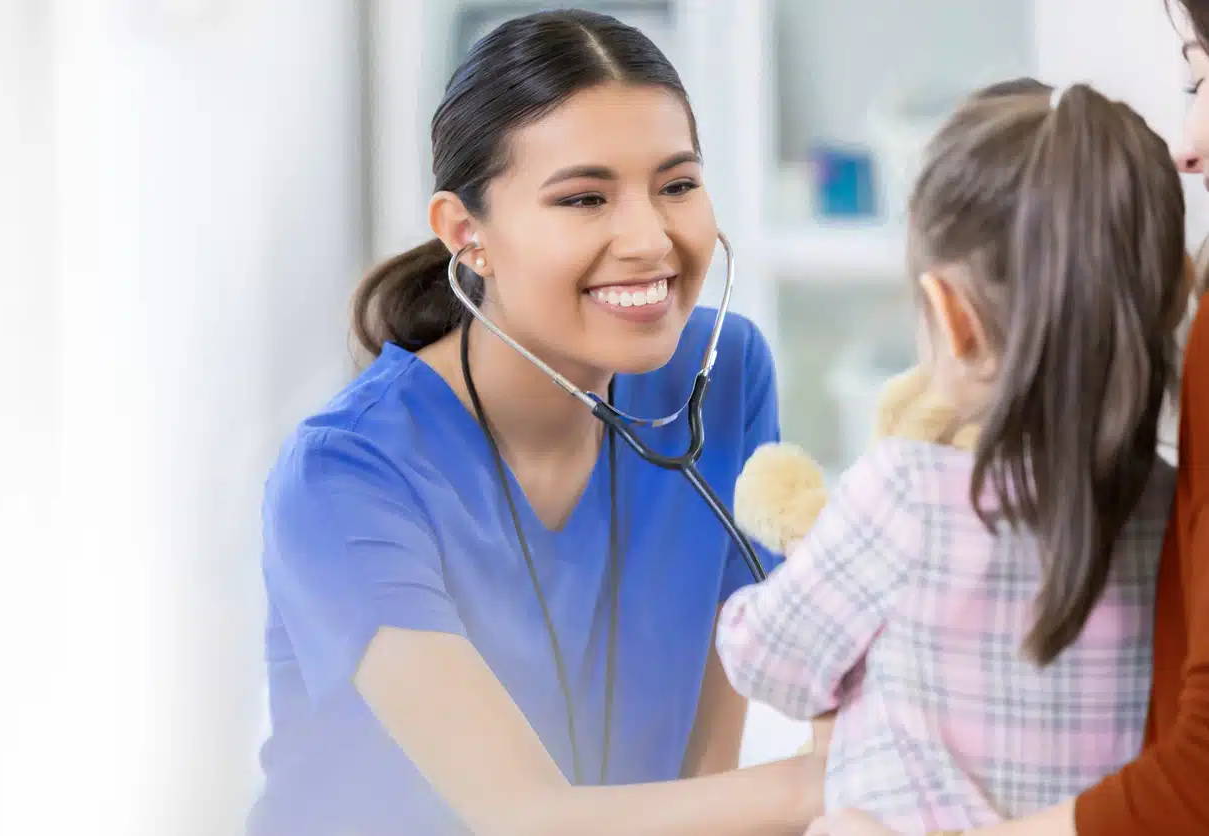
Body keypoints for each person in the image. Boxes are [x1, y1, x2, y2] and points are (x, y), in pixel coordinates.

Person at [247, 9, 824, 836]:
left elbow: (708, 770)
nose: (649, 237)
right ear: (466, 234)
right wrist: (830, 785)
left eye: (678, 185)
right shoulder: (346, 477)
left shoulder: (726, 375)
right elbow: (522, 817)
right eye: (585, 197)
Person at [713, 76, 1189, 835]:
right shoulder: (1175, 508)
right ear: (1176, 294)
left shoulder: (910, 490)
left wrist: (789, 575)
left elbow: (769, 661)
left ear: (950, 318)